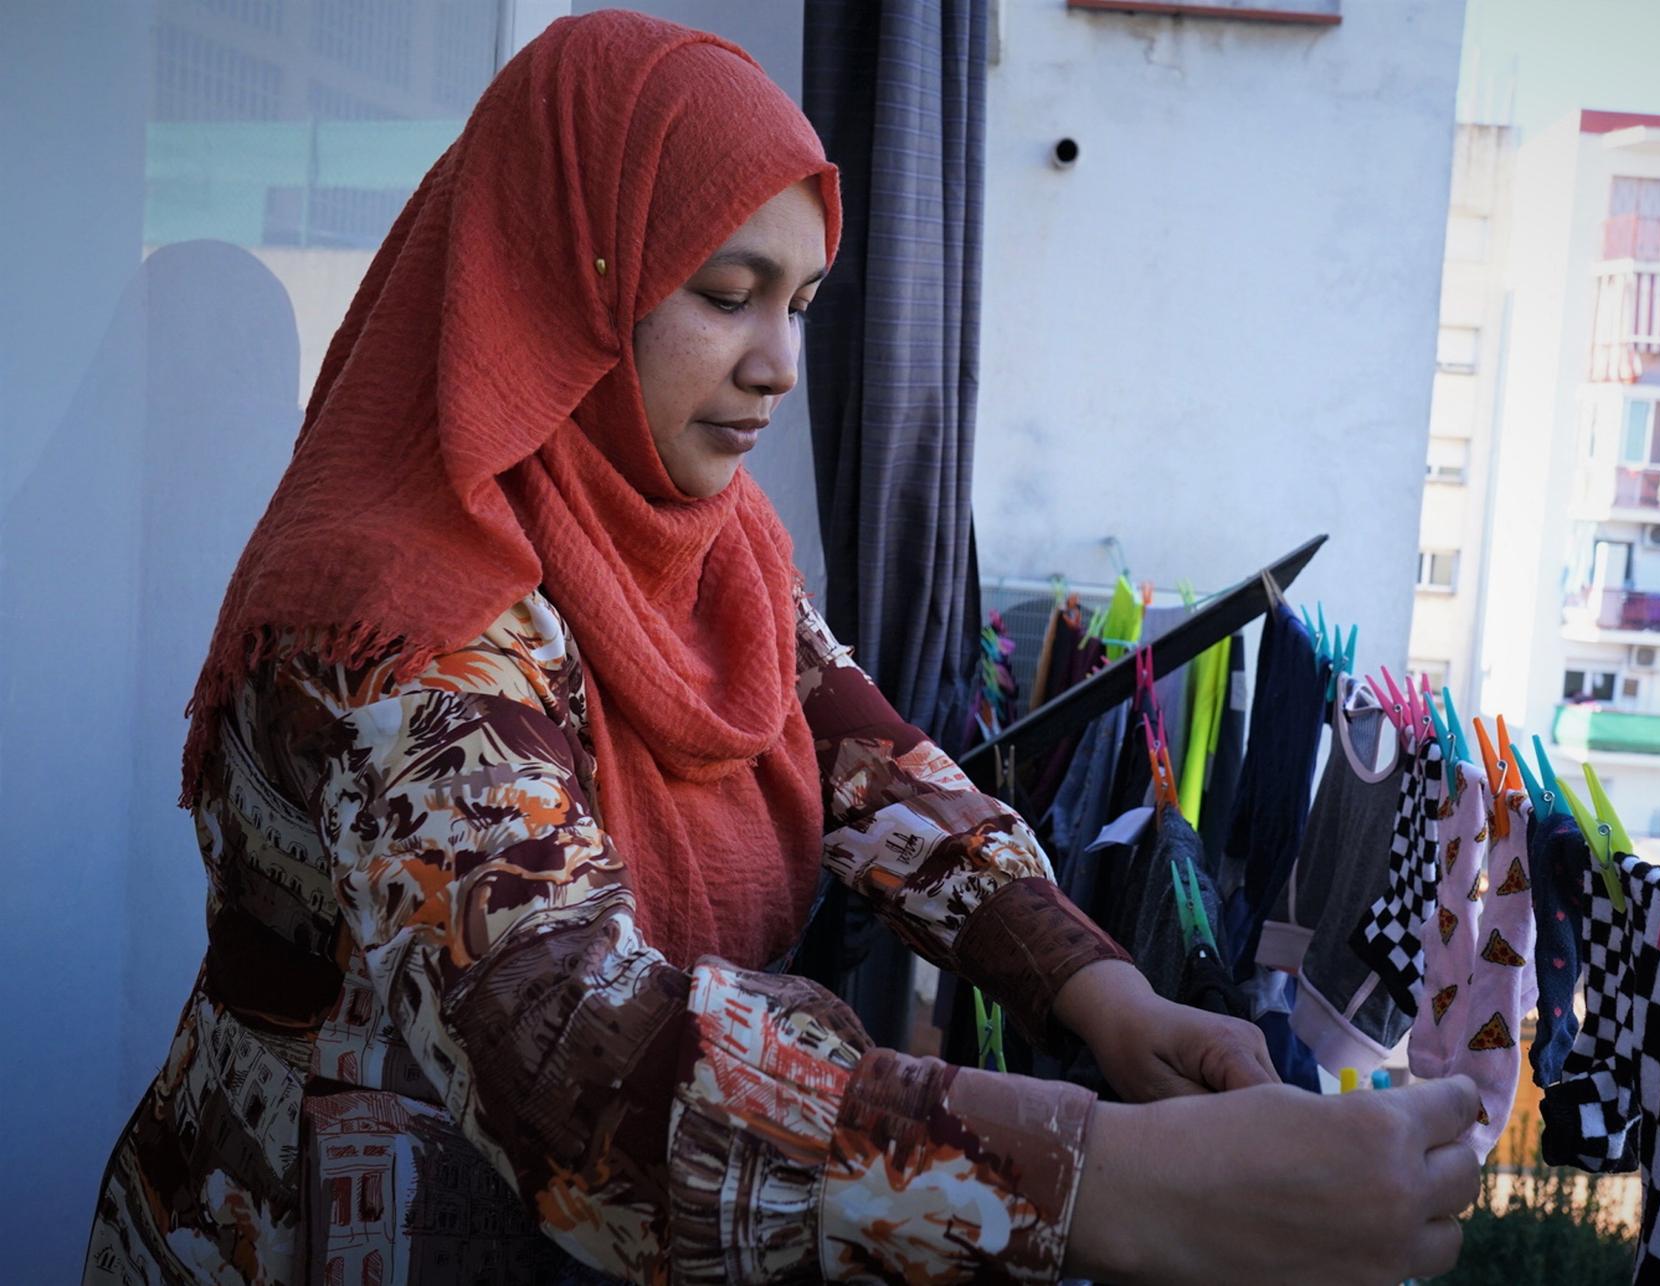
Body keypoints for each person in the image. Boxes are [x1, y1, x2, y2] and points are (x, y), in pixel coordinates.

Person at [83, 12, 1477, 1285]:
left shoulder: (702, 538)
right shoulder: (406, 616)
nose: (780, 365)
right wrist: (1101, 1182)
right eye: (727, 292)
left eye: (800, 303)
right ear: (564, 279)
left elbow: (855, 748)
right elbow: (580, 1068)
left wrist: (1096, 988)